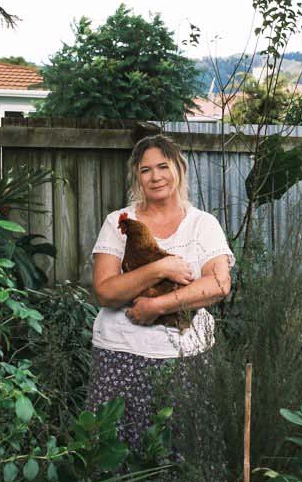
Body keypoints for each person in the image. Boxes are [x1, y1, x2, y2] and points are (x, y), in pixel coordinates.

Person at [86, 133, 233, 450]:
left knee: (179, 450)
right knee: (112, 448)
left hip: (183, 356)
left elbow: (219, 283)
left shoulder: (202, 225)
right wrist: (159, 269)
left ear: (178, 168)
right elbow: (106, 292)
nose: (155, 177)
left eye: (162, 166)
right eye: (145, 170)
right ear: (137, 176)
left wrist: (158, 306)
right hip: (119, 353)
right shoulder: (119, 221)